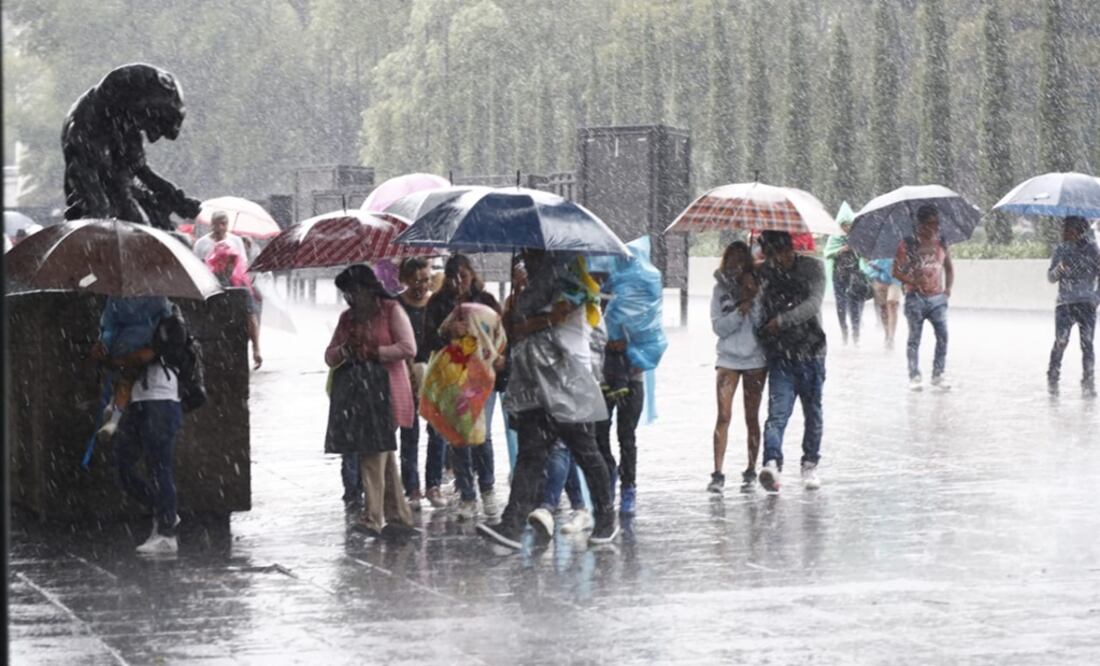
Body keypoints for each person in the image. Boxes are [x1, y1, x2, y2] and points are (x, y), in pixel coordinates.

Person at [478, 249, 618, 549]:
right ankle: (512, 524)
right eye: (525, 255)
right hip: (535, 383)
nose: (526, 260)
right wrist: (518, 303)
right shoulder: (530, 290)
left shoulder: (572, 285)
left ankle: (606, 518)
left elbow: (554, 318)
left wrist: (528, 320)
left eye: (532, 254)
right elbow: (514, 329)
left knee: (585, 452)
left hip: (569, 382)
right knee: (530, 455)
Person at [324, 264, 418, 537]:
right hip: (359, 394)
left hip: (387, 390)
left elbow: (408, 347)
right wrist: (346, 349)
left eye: (353, 292)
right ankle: (399, 516)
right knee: (382, 452)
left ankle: (372, 518)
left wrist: (375, 351)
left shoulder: (390, 311)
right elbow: (329, 356)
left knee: (372, 451)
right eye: (346, 294)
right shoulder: (347, 319)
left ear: (367, 288)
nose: (349, 299)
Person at [423, 254, 502, 521]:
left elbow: (500, 335)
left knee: (483, 434)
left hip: (482, 377)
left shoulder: (486, 301)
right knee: (459, 436)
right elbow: (426, 341)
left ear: (472, 274)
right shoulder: (438, 303)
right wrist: (446, 332)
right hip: (452, 378)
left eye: (464, 275)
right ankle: (467, 494)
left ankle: (487, 488)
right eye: (454, 276)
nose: (459, 281)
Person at [112, 299, 184, 554]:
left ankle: (166, 533)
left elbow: (146, 355)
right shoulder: (134, 321)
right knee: (123, 463)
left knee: (159, 466)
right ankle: (165, 511)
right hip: (139, 399)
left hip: (161, 399)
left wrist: (120, 357)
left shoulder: (170, 320)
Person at [756, 231, 827, 493]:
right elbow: (756, 306)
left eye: (779, 254)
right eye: (770, 256)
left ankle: (810, 463)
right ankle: (771, 462)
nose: (776, 261)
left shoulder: (813, 268)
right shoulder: (764, 273)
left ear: (789, 249)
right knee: (777, 414)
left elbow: (813, 304)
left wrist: (782, 321)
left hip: (811, 353)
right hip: (780, 357)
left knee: (813, 413)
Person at [708, 241, 767, 494]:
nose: (735, 266)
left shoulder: (760, 288)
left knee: (751, 417)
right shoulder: (719, 290)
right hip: (728, 359)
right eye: (731, 261)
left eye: (740, 261)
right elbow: (718, 327)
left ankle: (751, 469)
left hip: (755, 360)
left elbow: (763, 327)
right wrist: (738, 311)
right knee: (723, 416)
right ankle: (718, 472)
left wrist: (753, 299)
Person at [90, 296, 173, 443]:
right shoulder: (158, 298)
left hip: (118, 343)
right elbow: (166, 319)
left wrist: (105, 342)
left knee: (116, 376)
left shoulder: (116, 298)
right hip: (140, 344)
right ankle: (115, 418)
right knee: (127, 380)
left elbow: (108, 323)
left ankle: (110, 404)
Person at [893, 205, 954, 391]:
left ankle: (938, 374)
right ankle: (914, 375)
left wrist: (947, 290)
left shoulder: (942, 243)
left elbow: (949, 267)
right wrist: (912, 279)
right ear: (920, 224)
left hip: (937, 299)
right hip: (915, 298)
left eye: (937, 223)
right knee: (914, 339)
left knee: (943, 335)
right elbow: (896, 271)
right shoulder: (908, 244)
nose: (935, 227)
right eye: (930, 224)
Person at [1046, 216, 1099, 397]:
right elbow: (1051, 278)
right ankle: (1053, 375)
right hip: (1065, 304)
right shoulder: (1061, 249)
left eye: (1067, 229)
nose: (1063, 232)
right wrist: (1059, 269)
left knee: (1087, 344)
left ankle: (1088, 380)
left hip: (1086, 304)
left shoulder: (1093, 250)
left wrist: (1096, 298)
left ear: (1078, 230)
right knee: (1061, 341)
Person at [396, 257, 433, 506]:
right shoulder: (396, 306)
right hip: (405, 372)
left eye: (426, 280)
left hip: (435, 372)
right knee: (409, 432)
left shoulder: (436, 304)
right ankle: (412, 488)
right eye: (416, 281)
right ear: (405, 280)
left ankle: (434, 484)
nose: (422, 286)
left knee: (438, 431)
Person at [205, 241, 263, 369]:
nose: (228, 265)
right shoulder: (208, 283)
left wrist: (256, 349)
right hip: (217, 341)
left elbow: (251, 318)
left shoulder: (242, 286)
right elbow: (251, 318)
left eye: (231, 260)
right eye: (224, 260)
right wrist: (256, 349)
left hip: (233, 341)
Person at [824, 219, 865, 345]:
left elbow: (865, 254)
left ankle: (856, 332)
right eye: (844, 225)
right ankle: (844, 330)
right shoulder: (834, 238)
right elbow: (827, 253)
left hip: (855, 276)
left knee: (854, 305)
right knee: (840, 304)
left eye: (849, 225)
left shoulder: (858, 238)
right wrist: (840, 250)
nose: (847, 227)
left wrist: (855, 248)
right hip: (838, 275)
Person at [864, 258, 902, 348]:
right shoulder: (876, 246)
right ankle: (887, 333)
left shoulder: (901, 244)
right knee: (883, 308)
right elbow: (867, 258)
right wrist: (871, 263)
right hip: (879, 278)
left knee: (892, 304)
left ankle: (891, 337)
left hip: (896, 278)